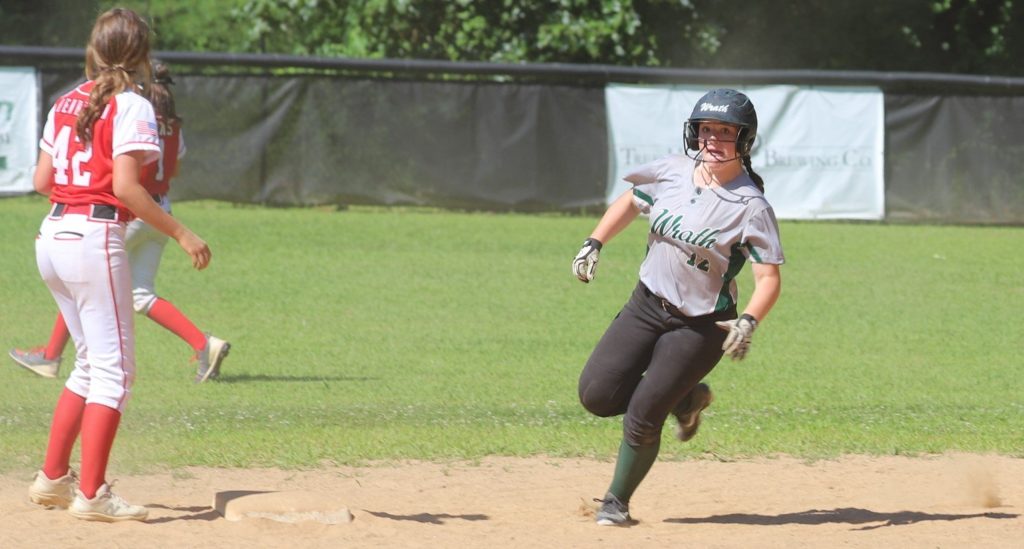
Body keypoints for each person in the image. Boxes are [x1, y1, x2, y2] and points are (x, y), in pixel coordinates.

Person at [26, 8, 211, 522]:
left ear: (94, 49)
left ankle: (53, 479)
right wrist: (181, 232)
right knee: (116, 374)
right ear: (142, 57)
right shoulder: (132, 105)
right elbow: (129, 187)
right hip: (93, 235)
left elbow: (42, 180)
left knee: (88, 365)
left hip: (53, 236)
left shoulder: (66, 99)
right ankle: (92, 494)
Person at [572, 88, 784, 526]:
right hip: (646, 304)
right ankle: (686, 399)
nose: (712, 139)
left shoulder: (751, 206)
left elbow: (769, 279)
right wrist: (594, 242)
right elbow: (631, 201)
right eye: (706, 129)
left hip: (701, 326)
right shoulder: (672, 171)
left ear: (745, 141)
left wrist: (748, 321)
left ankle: (616, 502)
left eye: (725, 132)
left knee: (643, 413)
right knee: (596, 395)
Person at [8, 60, 230, 384]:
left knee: (82, 278)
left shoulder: (132, 111)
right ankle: (203, 344)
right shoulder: (172, 124)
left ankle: (51, 355)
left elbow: (124, 181)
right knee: (139, 293)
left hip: (129, 209)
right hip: (162, 210)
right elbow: (173, 170)